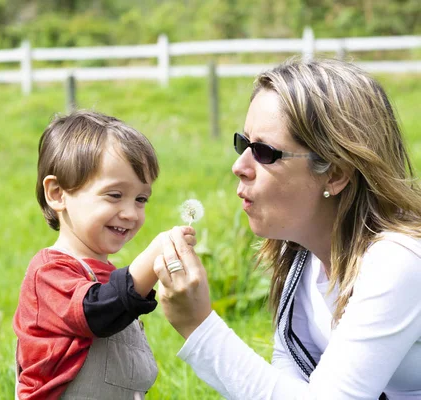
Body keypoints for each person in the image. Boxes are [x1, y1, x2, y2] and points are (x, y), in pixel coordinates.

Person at [153, 58, 421, 399]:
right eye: (243, 143)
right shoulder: (299, 251)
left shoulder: (397, 261)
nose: (239, 166)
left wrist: (199, 326)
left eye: (264, 152)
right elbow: (290, 382)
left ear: (335, 173)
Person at [12, 110, 196, 399]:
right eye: (114, 195)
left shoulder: (109, 279)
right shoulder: (48, 273)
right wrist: (151, 259)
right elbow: (98, 311)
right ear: (58, 193)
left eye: (141, 199)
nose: (130, 213)